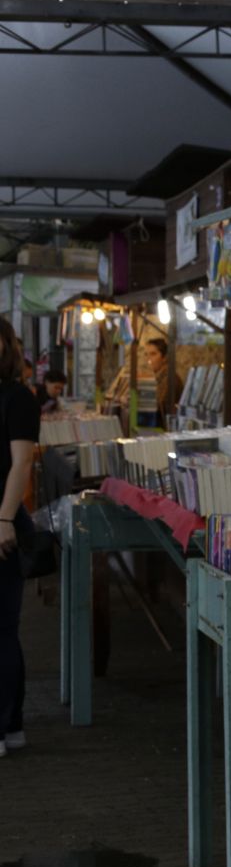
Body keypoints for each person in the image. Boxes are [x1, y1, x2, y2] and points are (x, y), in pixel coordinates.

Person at [0, 319, 40, 757]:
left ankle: (5, 724)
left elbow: (21, 464)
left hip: (2, 521)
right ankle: (10, 725)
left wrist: (4, 519)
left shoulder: (18, 398)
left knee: (2, 628)